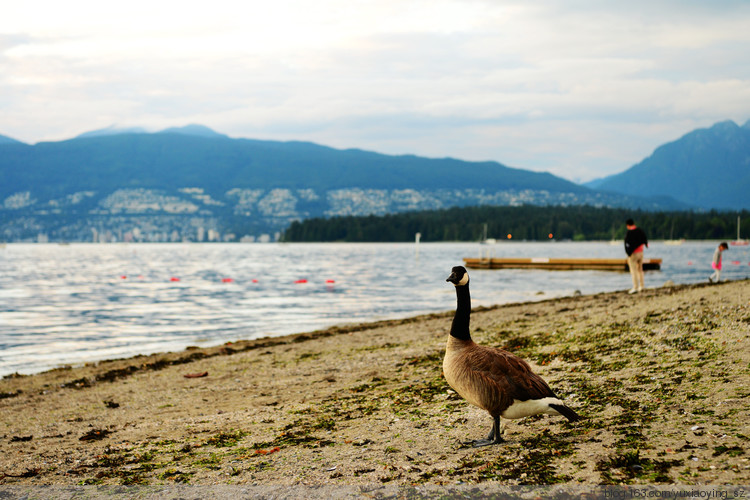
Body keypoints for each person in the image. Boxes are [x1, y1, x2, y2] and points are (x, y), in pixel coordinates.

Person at [624, 219, 648, 294]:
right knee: (640, 269)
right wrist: (646, 245)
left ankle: (635, 287)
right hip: (641, 252)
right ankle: (642, 286)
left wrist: (628, 253)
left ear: (627, 225)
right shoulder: (640, 230)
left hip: (633, 254)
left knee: (633, 270)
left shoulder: (629, 232)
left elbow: (627, 244)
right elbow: (644, 239)